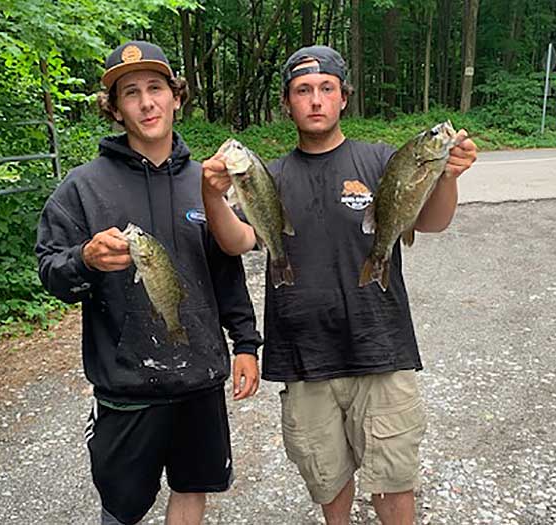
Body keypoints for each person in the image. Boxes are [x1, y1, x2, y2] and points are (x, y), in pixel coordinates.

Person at [201, 45, 477, 525]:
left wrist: (447, 176)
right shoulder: (271, 176)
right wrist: (211, 195)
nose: (315, 100)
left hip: (382, 347)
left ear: (343, 98)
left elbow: (432, 221)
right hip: (304, 355)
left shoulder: (380, 160)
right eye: (302, 91)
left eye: (326, 89)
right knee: (329, 482)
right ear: (287, 104)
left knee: (393, 481)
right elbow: (237, 240)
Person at [35, 40, 262, 525]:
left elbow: (226, 268)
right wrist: (86, 259)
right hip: (126, 386)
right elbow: (51, 274)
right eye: (131, 93)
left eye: (156, 88)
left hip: (200, 377)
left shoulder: (207, 180)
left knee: (192, 487)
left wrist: (246, 342)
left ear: (176, 97)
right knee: (122, 508)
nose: (146, 102)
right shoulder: (82, 187)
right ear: (115, 109)